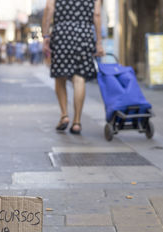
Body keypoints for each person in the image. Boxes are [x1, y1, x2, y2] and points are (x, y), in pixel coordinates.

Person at [42, 0, 104, 134]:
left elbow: (49, 8)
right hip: (84, 33)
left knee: (60, 76)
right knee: (79, 77)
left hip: (62, 32)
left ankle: (64, 115)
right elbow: (97, 14)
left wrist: (46, 34)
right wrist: (98, 42)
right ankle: (77, 122)